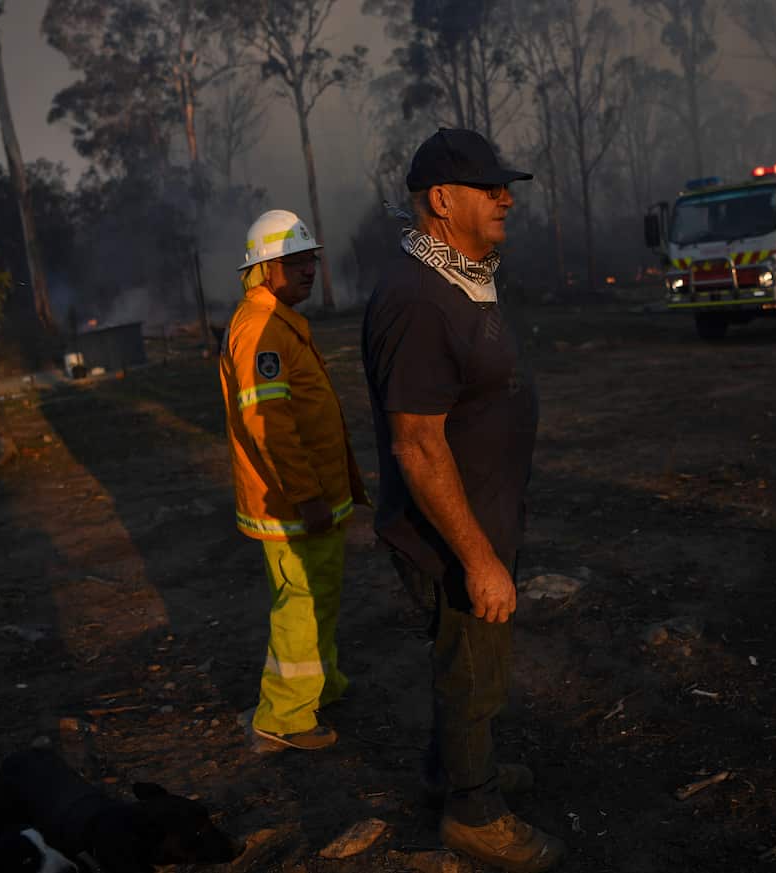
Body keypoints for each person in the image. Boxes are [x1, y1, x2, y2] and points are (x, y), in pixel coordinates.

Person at [362, 129, 565, 872]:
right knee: (475, 666)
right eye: (491, 187)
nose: (507, 197)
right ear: (443, 200)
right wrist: (479, 559)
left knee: (472, 660)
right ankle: (474, 811)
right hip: (449, 535)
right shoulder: (418, 300)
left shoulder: (462, 277)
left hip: (483, 515)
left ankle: (449, 768)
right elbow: (417, 444)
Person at [219, 208, 369, 751]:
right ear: (263, 270)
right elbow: (268, 425)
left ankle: (318, 686)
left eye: (311, 259)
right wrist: (306, 495)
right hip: (293, 504)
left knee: (319, 595)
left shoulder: (277, 321)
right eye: (295, 261)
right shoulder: (259, 329)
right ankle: (283, 716)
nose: (309, 270)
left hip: (314, 498)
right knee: (300, 604)